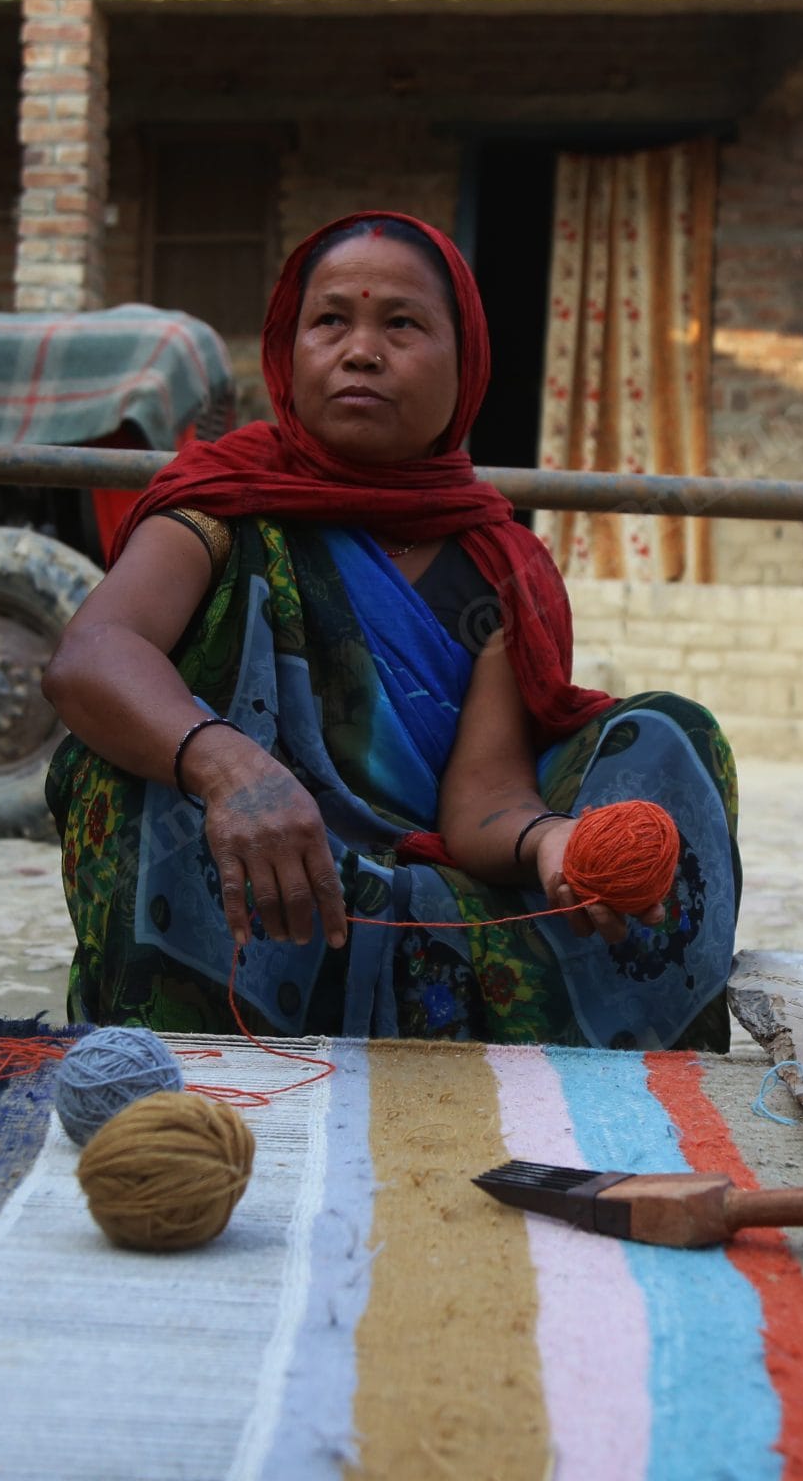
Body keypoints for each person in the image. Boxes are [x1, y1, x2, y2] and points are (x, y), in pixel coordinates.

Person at [41, 212, 739, 1049]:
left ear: (465, 363)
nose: (361, 350)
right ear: (288, 353)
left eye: (401, 324)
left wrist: (553, 839)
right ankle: (192, 1050)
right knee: (128, 773)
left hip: (415, 906)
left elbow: (482, 800)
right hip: (248, 894)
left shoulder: (496, 563)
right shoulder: (223, 505)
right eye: (330, 320)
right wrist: (231, 770)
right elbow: (91, 655)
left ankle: (593, 1071)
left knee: (674, 736)